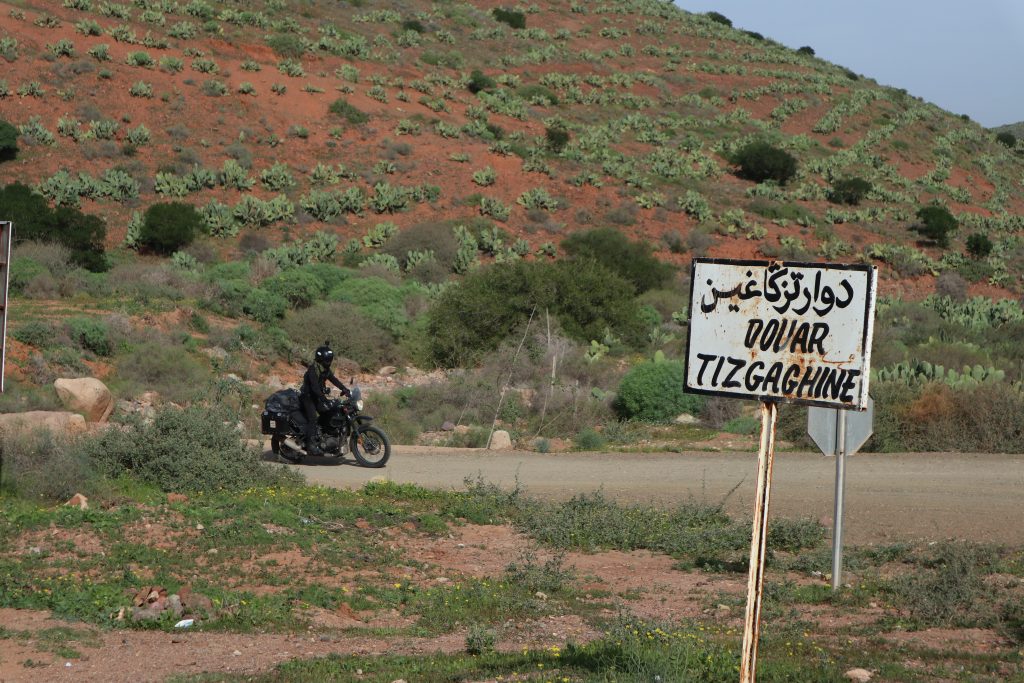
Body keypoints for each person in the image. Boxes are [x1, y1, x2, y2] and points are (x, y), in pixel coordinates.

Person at [298, 342, 349, 456]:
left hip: (317, 396)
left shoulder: (324, 369)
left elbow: (333, 379)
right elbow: (315, 389)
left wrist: (345, 389)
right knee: (313, 419)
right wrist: (325, 400)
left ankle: (324, 435)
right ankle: (311, 446)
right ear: (320, 359)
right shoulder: (313, 370)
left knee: (330, 411)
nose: (329, 362)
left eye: (330, 360)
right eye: (327, 360)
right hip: (308, 397)